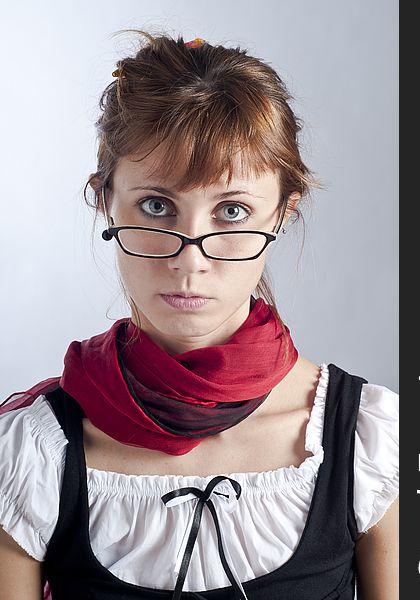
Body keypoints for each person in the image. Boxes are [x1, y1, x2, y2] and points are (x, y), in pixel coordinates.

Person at [0, 32, 398, 599]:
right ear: (104, 200)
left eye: (232, 211)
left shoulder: (370, 441)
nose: (190, 258)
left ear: (283, 212)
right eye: (156, 206)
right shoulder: (30, 452)